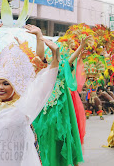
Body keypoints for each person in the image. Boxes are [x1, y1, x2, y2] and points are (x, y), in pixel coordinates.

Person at [0, 24, 59, 166]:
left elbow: (43, 76)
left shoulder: (24, 103)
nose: (0, 87)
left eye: (6, 84)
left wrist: (53, 53)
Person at [32, 35, 91, 166]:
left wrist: (80, 47)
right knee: (44, 133)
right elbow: (39, 56)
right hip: (45, 106)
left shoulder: (63, 66)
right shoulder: (44, 69)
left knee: (59, 135)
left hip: (60, 106)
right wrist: (39, 37)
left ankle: (57, 161)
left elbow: (68, 60)